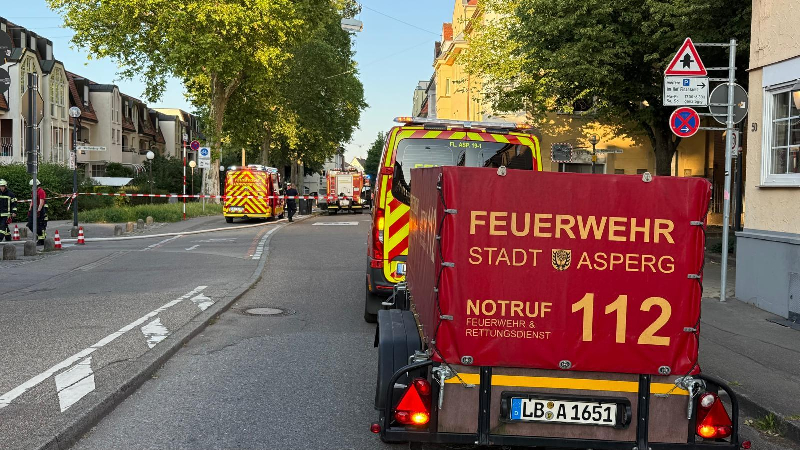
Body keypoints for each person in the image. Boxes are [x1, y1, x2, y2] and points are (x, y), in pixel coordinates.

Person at [27, 179, 48, 245]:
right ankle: (39, 235)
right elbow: (32, 201)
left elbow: (41, 202)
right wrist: (30, 209)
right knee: (30, 224)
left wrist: (38, 211)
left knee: (39, 224)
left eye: (32, 185)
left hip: (39, 209)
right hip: (34, 209)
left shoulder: (41, 191)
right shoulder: (34, 191)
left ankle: (41, 239)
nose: (31, 187)